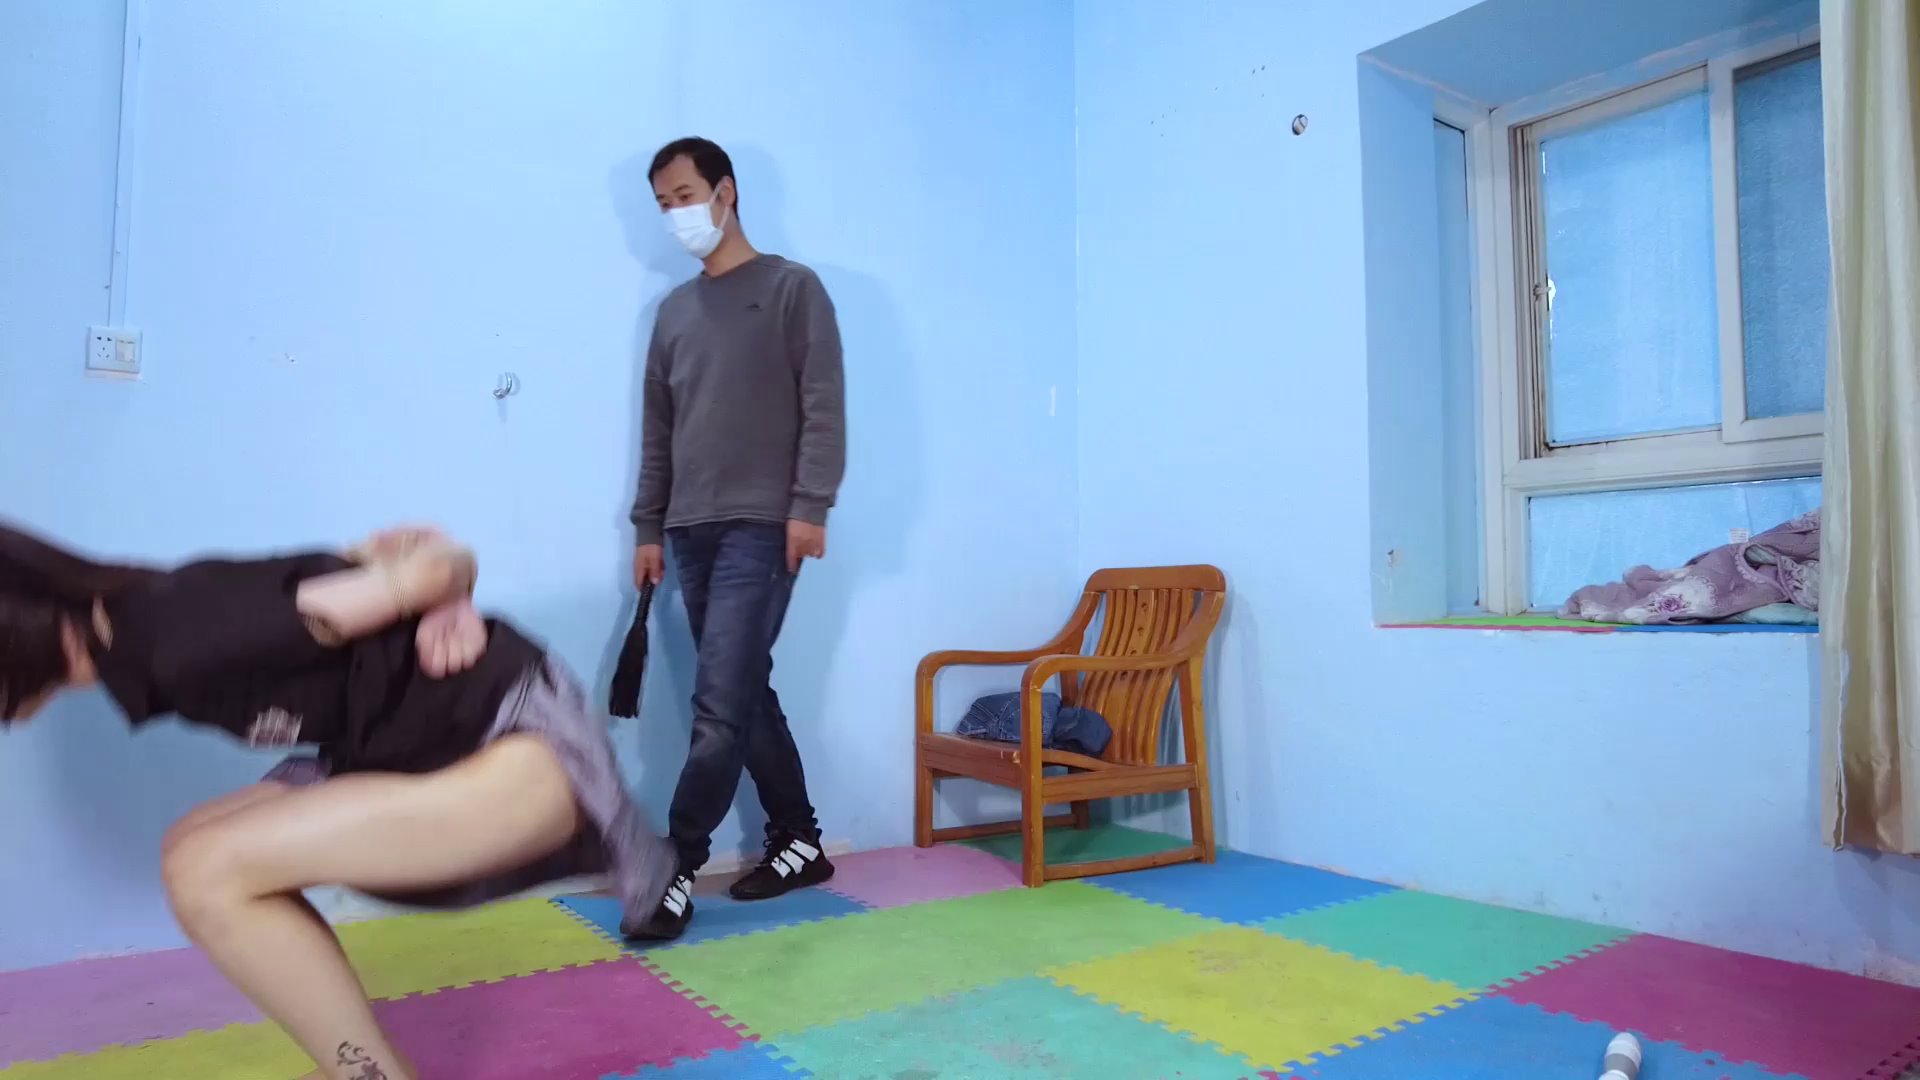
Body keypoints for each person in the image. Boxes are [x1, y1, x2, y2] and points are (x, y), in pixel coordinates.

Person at [0, 521, 673, 1080]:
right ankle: (355, 1064)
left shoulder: (174, 636)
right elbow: (401, 546)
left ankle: (368, 1075)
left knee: (203, 867)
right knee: (189, 846)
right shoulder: (143, 624)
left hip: (520, 753)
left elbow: (432, 561)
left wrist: (445, 593)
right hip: (436, 752)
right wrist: (433, 588)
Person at [626, 136, 846, 940]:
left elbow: (823, 404)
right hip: (689, 529)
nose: (675, 215)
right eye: (662, 205)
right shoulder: (672, 314)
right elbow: (659, 432)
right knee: (742, 688)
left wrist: (810, 507)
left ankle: (675, 866)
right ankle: (799, 841)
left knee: (719, 703)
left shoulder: (793, 289)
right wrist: (648, 526)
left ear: (726, 192)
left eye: (684, 196)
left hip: (765, 525)